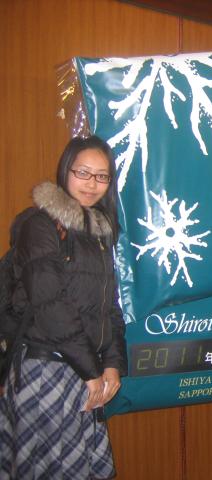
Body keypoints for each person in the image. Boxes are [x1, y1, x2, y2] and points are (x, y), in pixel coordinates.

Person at [0, 136, 127, 479]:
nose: (92, 183)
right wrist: (92, 370)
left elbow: (109, 307)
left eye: (102, 176)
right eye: (83, 172)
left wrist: (112, 364)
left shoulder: (99, 233)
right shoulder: (40, 224)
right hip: (46, 369)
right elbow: (50, 303)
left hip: (85, 371)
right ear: (65, 171)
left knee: (80, 466)